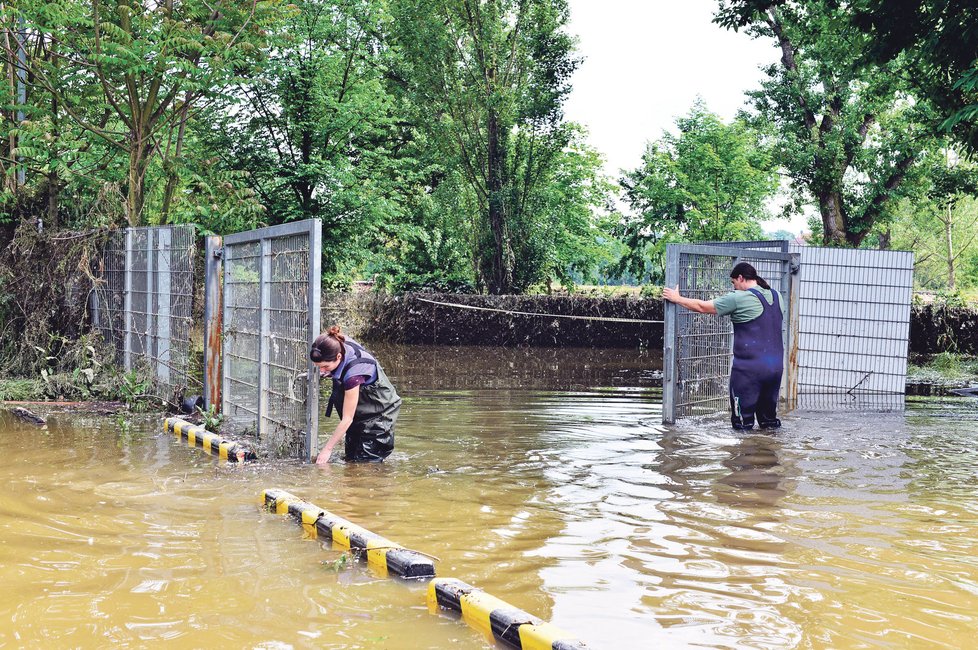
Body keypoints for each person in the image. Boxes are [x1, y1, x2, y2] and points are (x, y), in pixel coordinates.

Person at [662, 262, 785, 430]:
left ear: (741, 278)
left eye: (734, 283)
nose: (734, 287)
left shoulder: (738, 298)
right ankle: (769, 452)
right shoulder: (777, 296)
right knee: (769, 422)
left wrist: (677, 299)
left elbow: (702, 307)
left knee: (742, 425)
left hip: (749, 371)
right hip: (775, 369)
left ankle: (744, 454)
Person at [310, 326, 401, 463]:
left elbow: (347, 418)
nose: (322, 371)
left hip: (379, 414)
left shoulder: (354, 374)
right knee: (351, 460)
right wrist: (330, 371)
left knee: (367, 465)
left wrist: (327, 450)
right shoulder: (336, 343)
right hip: (361, 412)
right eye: (319, 367)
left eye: (325, 367)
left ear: (339, 356)